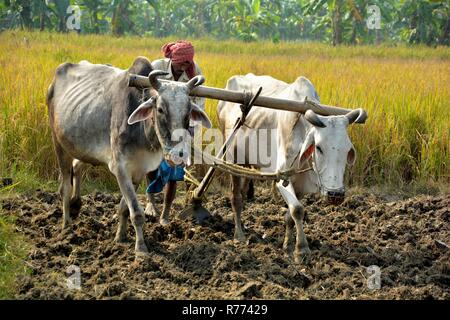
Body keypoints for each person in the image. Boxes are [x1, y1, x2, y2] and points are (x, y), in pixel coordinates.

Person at [145, 40, 205, 225]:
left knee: (174, 168)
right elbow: (145, 95)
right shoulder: (156, 68)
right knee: (151, 164)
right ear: (174, 59)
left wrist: (191, 132)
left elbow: (198, 101)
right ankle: (150, 201)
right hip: (158, 124)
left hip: (180, 128)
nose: (187, 66)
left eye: (189, 62)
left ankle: (165, 212)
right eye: (183, 62)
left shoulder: (195, 74)